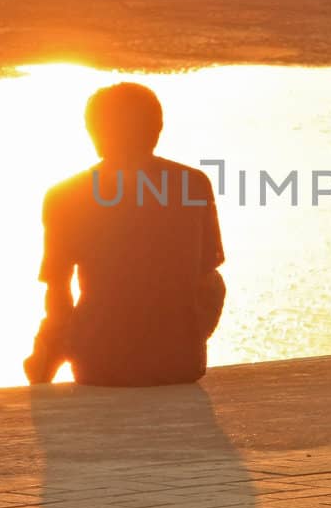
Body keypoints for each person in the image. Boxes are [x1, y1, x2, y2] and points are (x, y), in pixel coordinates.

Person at [24, 83, 225, 387]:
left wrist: (43, 362)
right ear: (157, 130)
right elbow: (207, 281)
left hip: (100, 366)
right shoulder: (193, 184)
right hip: (179, 365)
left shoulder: (65, 195)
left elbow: (58, 295)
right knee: (212, 279)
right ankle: (180, 344)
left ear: (95, 132)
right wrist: (190, 338)